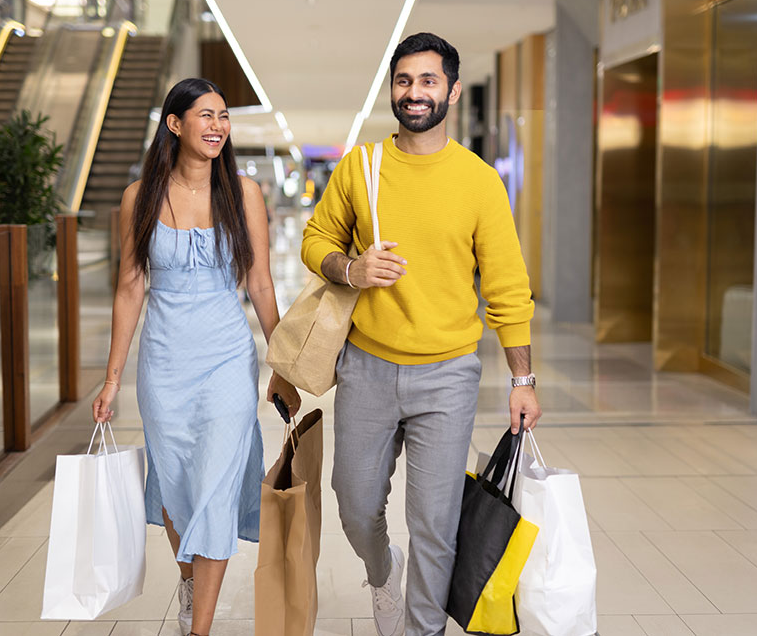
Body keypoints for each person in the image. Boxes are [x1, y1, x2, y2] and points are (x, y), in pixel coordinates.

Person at [301, 32, 542, 636]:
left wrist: (523, 378)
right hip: (367, 367)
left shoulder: (480, 181)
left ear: (452, 91)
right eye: (404, 81)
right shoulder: (362, 167)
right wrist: (351, 269)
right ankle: (384, 572)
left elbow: (508, 287)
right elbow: (315, 241)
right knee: (355, 505)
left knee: (435, 522)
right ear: (393, 89)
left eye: (428, 81)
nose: (415, 93)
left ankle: (421, 629)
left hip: (449, 374)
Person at [93, 78, 300, 636]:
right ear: (175, 124)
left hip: (227, 357)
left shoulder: (243, 193)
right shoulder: (140, 197)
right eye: (205, 115)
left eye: (224, 117)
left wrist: (283, 365)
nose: (217, 126)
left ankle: (198, 628)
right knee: (175, 479)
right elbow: (130, 287)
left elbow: (259, 284)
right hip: (163, 360)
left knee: (214, 482)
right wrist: (112, 379)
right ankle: (188, 575)